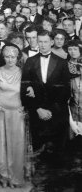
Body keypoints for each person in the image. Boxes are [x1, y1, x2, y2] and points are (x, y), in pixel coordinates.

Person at [21, 30, 71, 158]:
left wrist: (50, 110)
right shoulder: (30, 61)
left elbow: (66, 90)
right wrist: (38, 109)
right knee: (37, 151)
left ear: (52, 42)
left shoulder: (62, 62)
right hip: (36, 111)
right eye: (40, 42)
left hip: (56, 111)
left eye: (45, 42)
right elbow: (24, 87)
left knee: (57, 153)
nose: (42, 45)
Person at [0, 44, 32, 187]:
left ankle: (15, 178)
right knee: (1, 145)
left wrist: (25, 108)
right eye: (7, 56)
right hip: (1, 112)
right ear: (3, 57)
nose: (9, 59)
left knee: (16, 146)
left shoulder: (23, 72)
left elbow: (28, 93)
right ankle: (3, 176)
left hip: (17, 113)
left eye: (12, 57)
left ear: (17, 58)